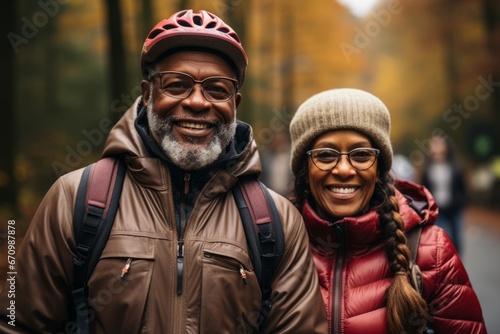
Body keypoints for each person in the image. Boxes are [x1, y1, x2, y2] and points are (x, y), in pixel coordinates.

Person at [0, 9, 327, 333]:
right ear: (147, 94)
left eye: (216, 89)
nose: (198, 102)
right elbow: (19, 323)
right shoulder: (75, 199)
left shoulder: (277, 222)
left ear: (235, 103)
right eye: (177, 85)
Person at [288, 88, 486, 334]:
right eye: (326, 155)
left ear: (379, 168)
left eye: (361, 155)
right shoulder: (273, 248)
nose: (343, 169)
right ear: (304, 170)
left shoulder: (433, 252)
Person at [419, 134, 468, 254]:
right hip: (438, 211)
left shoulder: (456, 166)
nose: (437, 147)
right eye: (434, 143)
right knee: (442, 241)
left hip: (455, 209)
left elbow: (462, 188)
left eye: (439, 143)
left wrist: (460, 203)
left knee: (456, 240)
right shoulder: (426, 168)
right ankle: (446, 268)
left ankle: (457, 266)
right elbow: (424, 189)